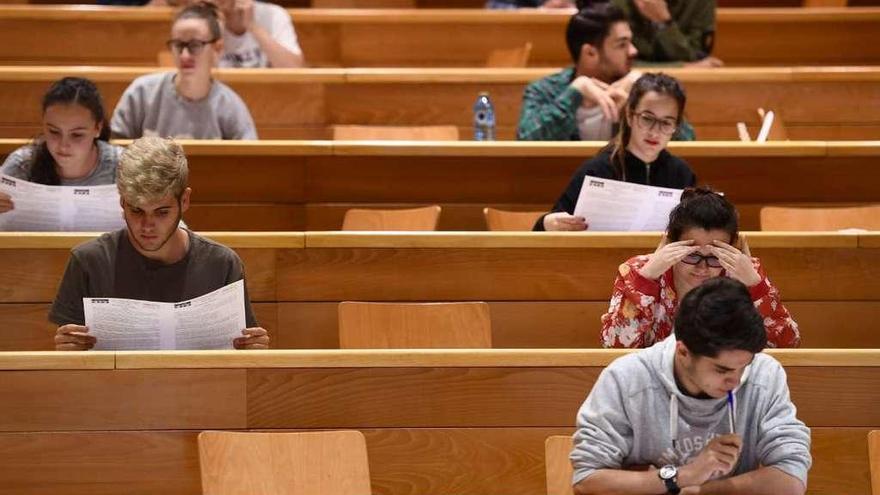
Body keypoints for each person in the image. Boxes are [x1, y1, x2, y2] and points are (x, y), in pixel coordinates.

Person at [571, 277, 811, 495]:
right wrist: (684, 476)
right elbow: (587, 481)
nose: (736, 381)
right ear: (683, 352)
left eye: (744, 367)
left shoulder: (765, 374)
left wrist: (702, 490)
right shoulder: (626, 379)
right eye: (722, 369)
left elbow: (791, 479)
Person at [50, 137, 269, 351]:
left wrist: (255, 350)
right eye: (136, 210)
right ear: (122, 201)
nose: (147, 226)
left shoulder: (222, 264)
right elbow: (67, 358)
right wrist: (67, 347)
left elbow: (245, 356)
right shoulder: (88, 261)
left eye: (162, 212)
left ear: (184, 201)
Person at [601, 187, 800, 349]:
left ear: (734, 247)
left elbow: (787, 344)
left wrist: (755, 287)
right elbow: (615, 346)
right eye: (692, 254)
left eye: (715, 256)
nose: (702, 267)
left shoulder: (745, 271)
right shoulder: (639, 271)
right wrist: (645, 280)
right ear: (669, 242)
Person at [534, 72, 695, 231]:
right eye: (647, 118)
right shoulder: (597, 169)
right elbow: (547, 228)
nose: (654, 132)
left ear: (676, 126)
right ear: (630, 115)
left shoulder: (682, 173)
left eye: (666, 123)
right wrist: (546, 223)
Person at [516, 3, 695, 142]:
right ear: (590, 53)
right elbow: (526, 141)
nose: (633, 51)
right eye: (622, 44)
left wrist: (642, 105)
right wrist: (573, 94)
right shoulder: (545, 90)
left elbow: (688, 142)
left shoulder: (641, 88)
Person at [110, 2, 258, 140]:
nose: (185, 55)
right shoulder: (141, 92)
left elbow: (250, 163)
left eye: (195, 45)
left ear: (217, 48)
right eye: (178, 45)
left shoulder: (230, 105)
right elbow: (112, 152)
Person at [0, 77, 123, 215]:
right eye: (54, 132)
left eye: (77, 135)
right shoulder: (22, 165)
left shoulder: (122, 166)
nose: (63, 146)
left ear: (97, 128)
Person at [608, 0, 722, 67]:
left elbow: (696, 58)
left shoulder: (699, 3)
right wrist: (680, 67)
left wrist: (664, 21)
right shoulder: (617, 3)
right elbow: (612, 62)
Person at [211, 0, 305, 68]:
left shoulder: (274, 15)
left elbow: (294, 69)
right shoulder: (201, 18)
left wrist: (252, 26)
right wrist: (214, 28)